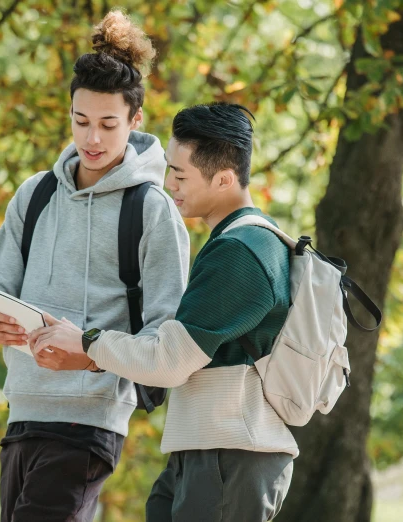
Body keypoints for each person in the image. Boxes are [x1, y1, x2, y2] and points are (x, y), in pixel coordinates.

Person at [0, 11, 190, 522]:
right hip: (23, 410)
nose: (91, 137)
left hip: (90, 420)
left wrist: (89, 357)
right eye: (80, 120)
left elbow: (165, 335)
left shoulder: (151, 211)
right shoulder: (36, 194)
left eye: (108, 124)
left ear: (135, 122)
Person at [29, 102, 296, 522]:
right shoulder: (237, 242)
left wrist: (87, 344)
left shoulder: (242, 253)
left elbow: (170, 361)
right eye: (168, 167)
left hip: (233, 454)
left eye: (180, 174)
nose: (168, 182)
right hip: (206, 447)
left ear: (224, 178)